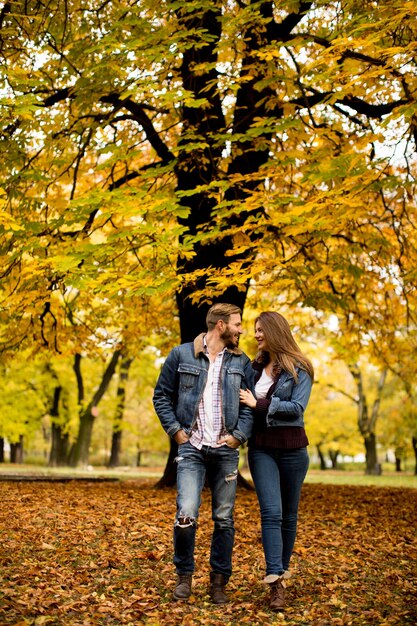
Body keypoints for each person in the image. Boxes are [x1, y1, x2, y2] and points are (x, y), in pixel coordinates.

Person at [153, 303, 254, 604]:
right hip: (192, 448)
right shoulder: (181, 355)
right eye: (237, 324)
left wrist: (238, 437)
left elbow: (250, 405)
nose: (241, 329)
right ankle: (184, 577)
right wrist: (176, 431)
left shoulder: (242, 361)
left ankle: (218, 583)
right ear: (221, 326)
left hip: (225, 451)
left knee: (224, 519)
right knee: (186, 514)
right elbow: (161, 395)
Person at [239, 311, 314, 612]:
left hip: (294, 449)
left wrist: (260, 404)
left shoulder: (301, 368)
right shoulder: (253, 368)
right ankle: (275, 581)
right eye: (255, 330)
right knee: (271, 512)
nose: (256, 335)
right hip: (261, 448)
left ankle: (281, 572)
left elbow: (297, 408)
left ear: (275, 330)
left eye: (260, 330)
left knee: (289, 516)